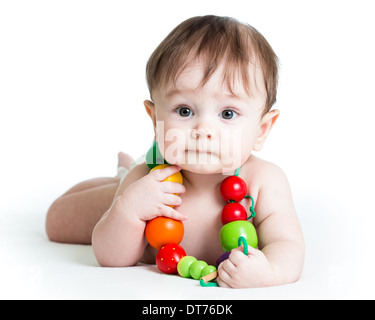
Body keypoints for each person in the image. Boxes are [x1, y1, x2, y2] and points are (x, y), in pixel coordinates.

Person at [46, 15, 304, 288]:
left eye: (227, 113)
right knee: (57, 221)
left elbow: (287, 243)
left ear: (262, 129)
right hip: (146, 179)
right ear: (154, 117)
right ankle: (118, 179)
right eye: (184, 111)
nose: (203, 129)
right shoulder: (145, 182)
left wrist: (272, 272)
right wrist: (127, 210)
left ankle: (121, 173)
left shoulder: (264, 181)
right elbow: (112, 259)